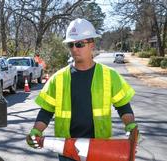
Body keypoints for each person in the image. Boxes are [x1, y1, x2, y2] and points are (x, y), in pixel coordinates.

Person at [26, 18, 138, 160]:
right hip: (67, 149)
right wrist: (36, 131)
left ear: (92, 44)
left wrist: (131, 126)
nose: (74, 49)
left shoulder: (109, 75)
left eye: (79, 44)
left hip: (99, 148)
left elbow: (123, 107)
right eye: (70, 45)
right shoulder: (58, 78)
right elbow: (46, 111)